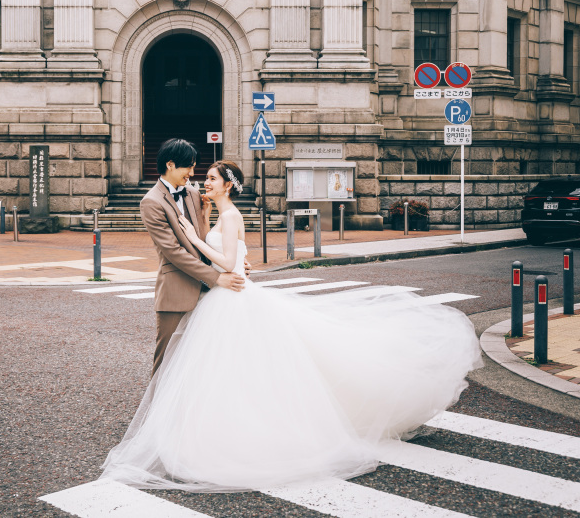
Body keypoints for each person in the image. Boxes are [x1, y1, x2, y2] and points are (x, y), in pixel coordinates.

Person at [101, 158, 482, 493]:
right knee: (229, 367)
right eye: (203, 177)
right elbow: (226, 255)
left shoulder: (229, 214)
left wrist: (204, 248)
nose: (204, 183)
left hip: (230, 295)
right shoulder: (206, 209)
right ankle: (217, 425)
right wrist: (220, 257)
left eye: (213, 179)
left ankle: (240, 430)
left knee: (237, 365)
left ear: (227, 184)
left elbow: (224, 253)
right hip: (224, 293)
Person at [138, 138, 246, 376]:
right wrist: (217, 277)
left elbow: (208, 237)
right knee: (167, 358)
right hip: (177, 291)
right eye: (188, 167)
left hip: (209, 296)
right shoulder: (151, 202)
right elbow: (174, 252)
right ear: (170, 165)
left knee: (201, 360)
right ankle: (156, 409)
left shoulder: (193, 194)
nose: (192, 173)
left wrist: (235, 261)